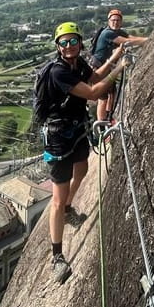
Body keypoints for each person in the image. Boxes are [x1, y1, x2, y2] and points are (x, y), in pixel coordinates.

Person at [43, 21, 131, 284]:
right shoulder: (59, 72)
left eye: (73, 41)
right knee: (57, 197)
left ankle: (69, 207)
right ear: (58, 46)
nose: (69, 46)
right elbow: (93, 92)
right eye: (64, 42)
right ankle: (56, 256)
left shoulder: (78, 64)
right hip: (58, 137)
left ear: (80, 43)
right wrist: (119, 70)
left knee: (81, 169)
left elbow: (94, 76)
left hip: (75, 129)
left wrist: (115, 57)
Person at [90, 8, 148, 122]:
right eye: (113, 20)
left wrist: (147, 39)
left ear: (121, 22)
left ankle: (109, 117)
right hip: (99, 68)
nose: (115, 22)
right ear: (108, 21)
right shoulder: (108, 33)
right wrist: (148, 40)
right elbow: (127, 42)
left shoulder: (117, 31)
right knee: (103, 96)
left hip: (108, 67)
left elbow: (130, 37)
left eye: (117, 20)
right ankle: (102, 124)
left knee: (112, 93)